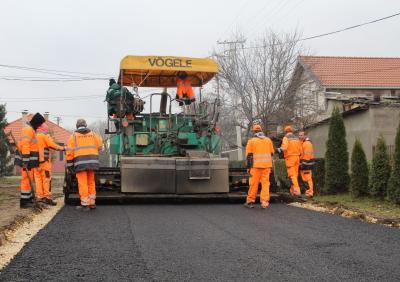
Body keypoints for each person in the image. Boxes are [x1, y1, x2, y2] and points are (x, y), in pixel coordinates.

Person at [66, 119, 103, 211]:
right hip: (92, 163)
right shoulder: (94, 135)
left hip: (80, 163)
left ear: (77, 126)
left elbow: (69, 152)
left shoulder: (73, 137)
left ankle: (85, 204)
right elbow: (100, 147)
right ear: (86, 125)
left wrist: (70, 165)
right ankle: (92, 203)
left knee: (83, 183)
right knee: (91, 182)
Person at [17, 113, 46, 208]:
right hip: (27, 160)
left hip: (29, 161)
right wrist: (25, 161)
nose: (39, 126)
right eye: (39, 124)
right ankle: (24, 202)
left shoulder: (31, 130)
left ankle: (28, 198)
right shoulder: (28, 130)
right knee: (26, 180)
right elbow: (25, 145)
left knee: (29, 180)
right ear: (37, 123)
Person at [244, 124, 275, 209]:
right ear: (261, 130)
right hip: (266, 166)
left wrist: (248, 167)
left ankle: (250, 201)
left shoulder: (251, 141)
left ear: (254, 132)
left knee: (253, 184)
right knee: (265, 184)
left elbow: (248, 156)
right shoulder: (268, 140)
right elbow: (272, 153)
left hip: (255, 167)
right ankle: (264, 202)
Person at [34, 123, 65, 205]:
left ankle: (40, 197)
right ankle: (47, 198)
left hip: (35, 162)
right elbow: (52, 145)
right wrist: (62, 148)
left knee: (38, 180)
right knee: (46, 179)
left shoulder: (33, 136)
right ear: (44, 129)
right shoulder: (44, 136)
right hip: (44, 162)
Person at [277, 126, 302, 196]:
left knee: (292, 175)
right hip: (297, 158)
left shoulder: (286, 138)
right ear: (292, 131)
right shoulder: (297, 138)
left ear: (285, 132)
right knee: (295, 175)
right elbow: (301, 149)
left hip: (290, 158)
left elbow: (284, 147)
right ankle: (292, 190)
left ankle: (297, 191)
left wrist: (278, 149)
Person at [299, 131, 315, 197]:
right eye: (299, 135)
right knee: (305, 179)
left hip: (306, 164)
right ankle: (308, 192)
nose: (300, 136)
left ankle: (310, 192)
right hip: (305, 163)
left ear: (305, 135)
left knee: (307, 179)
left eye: (301, 135)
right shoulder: (304, 143)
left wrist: (303, 163)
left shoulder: (307, 143)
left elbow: (307, 155)